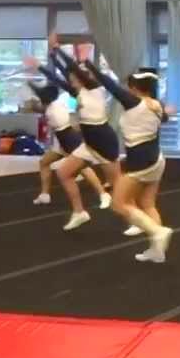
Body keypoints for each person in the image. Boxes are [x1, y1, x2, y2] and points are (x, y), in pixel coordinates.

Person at [86, 62, 175, 263]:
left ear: (134, 88)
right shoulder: (156, 105)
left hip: (141, 160)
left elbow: (110, 85)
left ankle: (157, 232)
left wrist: (90, 66)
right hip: (156, 159)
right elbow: (165, 118)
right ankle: (157, 251)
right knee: (147, 204)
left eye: (130, 86)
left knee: (118, 204)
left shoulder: (134, 102)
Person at [41, 44, 123, 232]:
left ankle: (138, 218)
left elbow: (73, 68)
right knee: (63, 173)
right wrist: (48, 60)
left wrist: (61, 51)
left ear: (83, 78)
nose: (70, 81)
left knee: (119, 186)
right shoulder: (78, 92)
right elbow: (58, 78)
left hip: (104, 143)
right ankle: (79, 212)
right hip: (88, 143)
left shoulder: (96, 89)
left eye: (73, 78)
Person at [25, 79, 107, 208]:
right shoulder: (55, 104)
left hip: (68, 140)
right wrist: (32, 86)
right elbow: (41, 102)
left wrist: (31, 86)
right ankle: (45, 195)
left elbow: (38, 105)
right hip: (62, 141)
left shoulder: (52, 109)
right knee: (44, 162)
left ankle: (103, 194)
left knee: (84, 169)